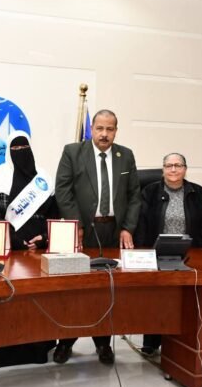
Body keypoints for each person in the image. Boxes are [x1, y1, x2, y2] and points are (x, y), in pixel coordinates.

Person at [54, 109, 141, 365]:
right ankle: (66, 341)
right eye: (100, 128)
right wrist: (77, 225)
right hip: (84, 230)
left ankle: (103, 343)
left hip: (113, 231)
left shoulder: (125, 155)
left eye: (110, 129)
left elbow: (134, 195)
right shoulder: (73, 152)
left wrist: (128, 227)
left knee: (106, 290)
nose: (104, 134)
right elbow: (63, 191)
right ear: (91, 128)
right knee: (75, 289)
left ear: (116, 131)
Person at [0, 131, 58, 367]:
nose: (20, 153)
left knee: (35, 303)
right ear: (8, 152)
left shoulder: (43, 178)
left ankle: (37, 350)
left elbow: (54, 216)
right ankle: (3, 354)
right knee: (7, 301)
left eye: (24, 149)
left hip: (38, 253)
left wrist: (44, 238)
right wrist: (13, 240)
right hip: (7, 252)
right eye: (15, 150)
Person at [134, 152, 202, 355]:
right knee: (156, 299)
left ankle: (183, 340)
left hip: (189, 254)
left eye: (178, 165)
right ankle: (151, 341)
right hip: (156, 253)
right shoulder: (150, 191)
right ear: (163, 169)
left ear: (185, 169)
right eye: (169, 165)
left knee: (185, 299)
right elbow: (141, 224)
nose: (173, 169)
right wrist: (142, 252)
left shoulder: (197, 192)